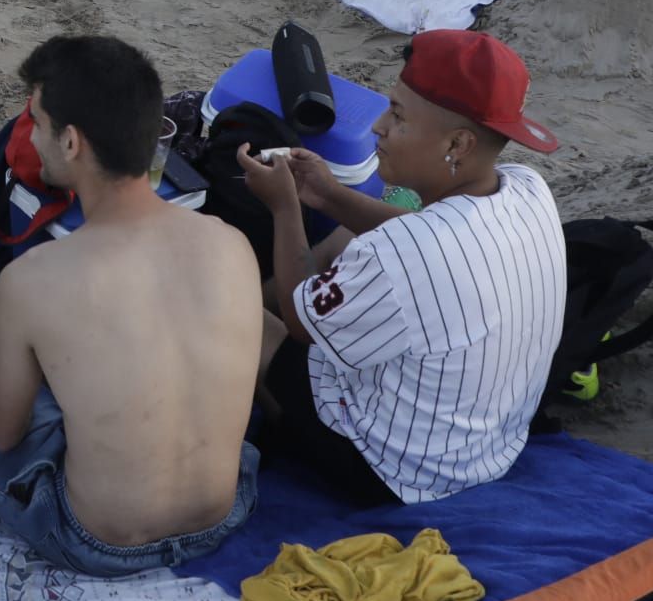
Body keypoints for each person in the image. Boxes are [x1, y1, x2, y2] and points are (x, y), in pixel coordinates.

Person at [0, 36, 262, 575]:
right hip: (224, 517)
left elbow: (3, 436)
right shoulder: (230, 242)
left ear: (71, 143)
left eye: (36, 122)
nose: (30, 137)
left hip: (96, 541)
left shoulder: (33, 280)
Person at [242, 30, 567, 505]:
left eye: (397, 116)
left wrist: (285, 208)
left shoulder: (402, 252)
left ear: (457, 144)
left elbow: (298, 320)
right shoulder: (526, 187)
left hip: (393, 471)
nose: (378, 126)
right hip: (487, 448)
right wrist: (329, 195)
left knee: (228, 306)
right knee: (339, 242)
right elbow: (419, 236)